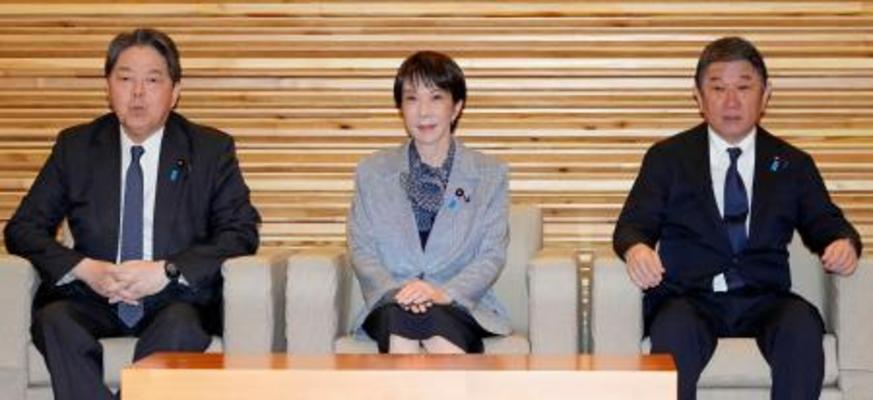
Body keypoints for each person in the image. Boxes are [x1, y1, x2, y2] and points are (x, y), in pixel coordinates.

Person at [4, 28, 260, 400]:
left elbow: (241, 232)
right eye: (125, 79)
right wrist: (84, 268)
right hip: (93, 294)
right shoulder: (76, 147)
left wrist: (166, 270)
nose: (138, 93)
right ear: (108, 88)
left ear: (175, 91)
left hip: (172, 297)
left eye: (152, 80)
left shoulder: (210, 150)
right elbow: (23, 228)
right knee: (54, 320)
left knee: (180, 326)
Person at [612, 36, 861, 400]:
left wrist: (842, 241)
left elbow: (825, 221)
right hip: (689, 298)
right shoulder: (668, 158)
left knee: (801, 329)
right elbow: (633, 224)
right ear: (699, 97)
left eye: (744, 88)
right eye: (718, 88)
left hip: (765, 297)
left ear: (766, 94)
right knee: (673, 333)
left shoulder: (791, 163)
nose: (731, 101)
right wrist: (637, 249)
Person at [346, 50, 511, 354]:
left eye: (436, 98)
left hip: (457, 303)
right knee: (401, 323)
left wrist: (443, 293)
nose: (423, 112)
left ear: (456, 107)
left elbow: (491, 255)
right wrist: (400, 293)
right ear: (400, 108)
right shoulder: (372, 172)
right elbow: (361, 249)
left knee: (437, 329)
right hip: (392, 301)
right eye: (412, 99)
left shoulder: (489, 174)